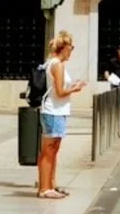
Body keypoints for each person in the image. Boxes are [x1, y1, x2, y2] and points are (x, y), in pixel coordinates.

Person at [36, 32, 86, 200]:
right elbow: (60, 91)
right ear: (63, 48)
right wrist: (75, 89)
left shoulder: (54, 63)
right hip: (54, 111)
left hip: (57, 110)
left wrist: (73, 85)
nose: (72, 51)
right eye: (71, 47)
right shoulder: (57, 65)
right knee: (49, 150)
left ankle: (50, 184)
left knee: (53, 149)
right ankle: (44, 188)